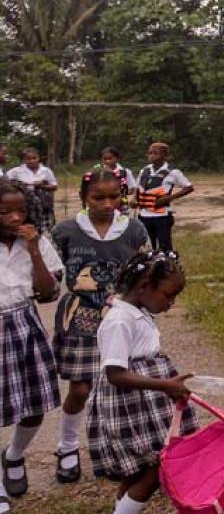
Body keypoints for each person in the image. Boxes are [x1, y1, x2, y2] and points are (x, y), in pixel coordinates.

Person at [84, 249, 196, 514]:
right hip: (128, 406)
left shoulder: (136, 311)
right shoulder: (119, 320)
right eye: (169, 295)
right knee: (152, 472)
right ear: (146, 285)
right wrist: (164, 385)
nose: (171, 303)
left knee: (136, 475)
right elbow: (115, 374)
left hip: (144, 403)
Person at [50, 168, 148, 484]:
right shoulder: (65, 231)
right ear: (83, 198)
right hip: (81, 317)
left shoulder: (133, 229)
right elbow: (53, 271)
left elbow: (143, 270)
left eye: (114, 197)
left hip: (121, 318)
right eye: (98, 198)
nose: (108, 204)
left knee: (123, 384)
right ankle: (66, 447)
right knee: (80, 388)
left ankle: (124, 448)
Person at [0, 178, 62, 514]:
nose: (13, 217)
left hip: (25, 324)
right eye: (4, 211)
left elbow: (48, 292)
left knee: (35, 407)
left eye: (20, 210)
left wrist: (35, 249)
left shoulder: (34, 243)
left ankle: (14, 455)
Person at [133, 143, 194, 251]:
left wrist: (168, 198)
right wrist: (134, 199)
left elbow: (188, 187)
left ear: (164, 155)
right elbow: (137, 188)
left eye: (155, 153)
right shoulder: (144, 171)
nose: (151, 155)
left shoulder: (173, 172)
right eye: (150, 153)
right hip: (144, 215)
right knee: (146, 248)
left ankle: (167, 267)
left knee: (165, 248)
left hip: (162, 216)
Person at [6, 147, 58, 232]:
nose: (32, 161)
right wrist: (20, 185)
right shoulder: (17, 171)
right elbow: (5, 180)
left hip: (44, 204)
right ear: (24, 160)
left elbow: (55, 186)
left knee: (47, 230)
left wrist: (42, 186)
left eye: (34, 158)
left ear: (38, 158)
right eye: (28, 159)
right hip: (27, 205)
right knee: (30, 227)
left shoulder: (45, 170)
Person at [98, 147, 137, 215]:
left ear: (117, 158)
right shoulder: (98, 172)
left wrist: (120, 192)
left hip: (121, 206)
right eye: (105, 159)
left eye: (110, 158)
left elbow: (132, 189)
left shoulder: (125, 172)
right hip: (103, 206)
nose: (107, 161)